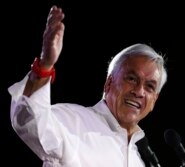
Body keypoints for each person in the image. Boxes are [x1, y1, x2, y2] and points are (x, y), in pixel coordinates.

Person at [8, 5, 167, 167]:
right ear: (108, 83)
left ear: (154, 100)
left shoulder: (139, 160)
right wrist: (44, 66)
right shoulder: (73, 121)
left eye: (149, 87)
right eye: (132, 79)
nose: (139, 91)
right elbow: (29, 120)